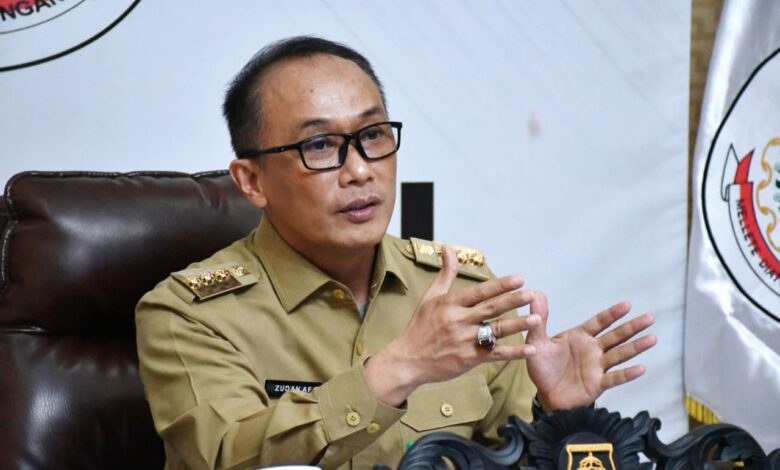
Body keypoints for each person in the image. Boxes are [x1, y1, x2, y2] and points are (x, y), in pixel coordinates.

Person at [135, 36, 656, 470]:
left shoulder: (462, 290)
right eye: (319, 146)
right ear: (252, 180)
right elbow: (225, 458)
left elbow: (510, 455)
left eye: (373, 135)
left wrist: (554, 415)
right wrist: (399, 369)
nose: (361, 170)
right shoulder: (189, 315)